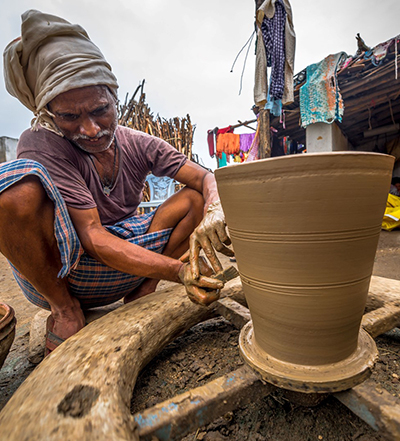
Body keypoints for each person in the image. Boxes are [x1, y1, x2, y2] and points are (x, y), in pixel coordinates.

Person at [1, 10, 233, 353]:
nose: (91, 129)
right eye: (69, 116)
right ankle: (65, 311)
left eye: (99, 110)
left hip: (124, 258)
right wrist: (179, 272)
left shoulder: (139, 143)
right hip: (65, 269)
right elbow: (93, 237)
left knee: (197, 198)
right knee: (11, 190)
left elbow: (204, 176)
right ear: (50, 114)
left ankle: (143, 289)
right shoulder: (43, 142)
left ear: (115, 99)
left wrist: (215, 209)